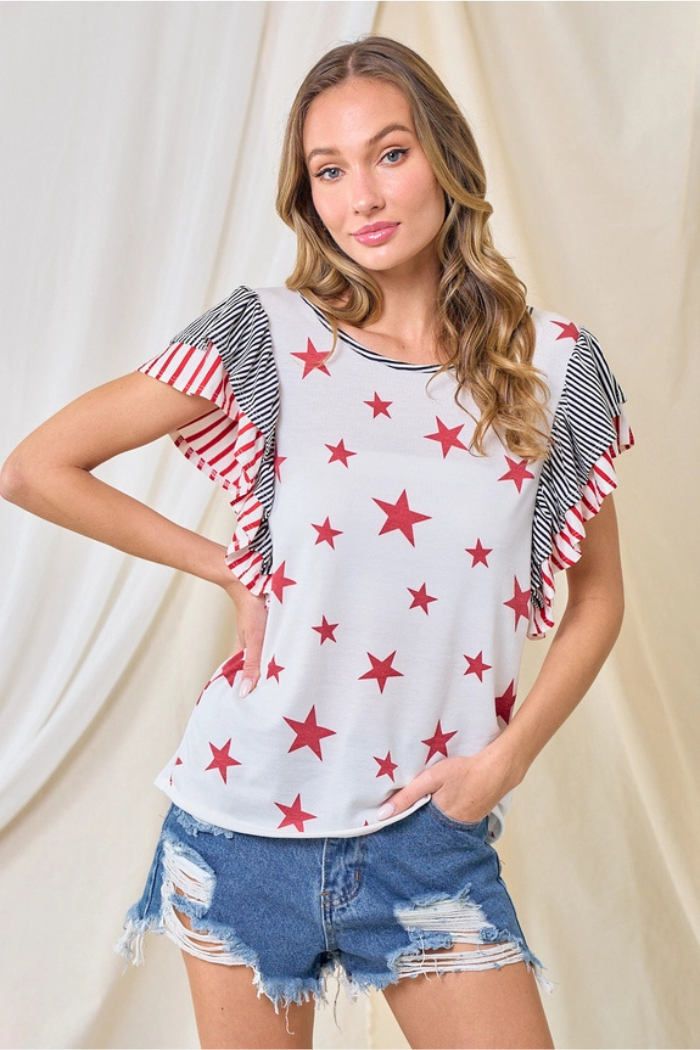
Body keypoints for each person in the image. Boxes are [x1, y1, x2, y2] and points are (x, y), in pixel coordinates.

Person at [0, 34, 633, 1050]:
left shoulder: (553, 366)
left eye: (391, 154)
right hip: (243, 826)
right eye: (328, 171)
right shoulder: (267, 337)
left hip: (430, 838)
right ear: (306, 195)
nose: (361, 197)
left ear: (446, 159)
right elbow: (35, 468)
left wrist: (507, 761)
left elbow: (598, 596)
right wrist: (225, 568)